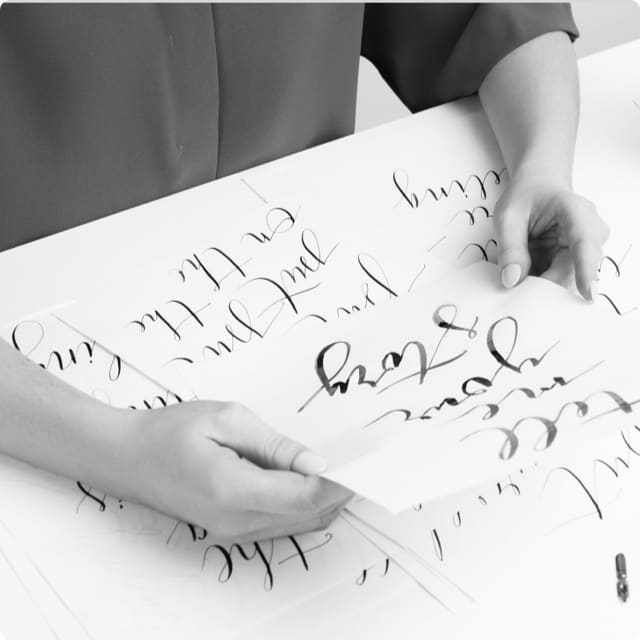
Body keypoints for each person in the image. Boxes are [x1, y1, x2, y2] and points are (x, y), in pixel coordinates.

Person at [0, 4, 609, 542]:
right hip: (41, 402)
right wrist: (119, 450)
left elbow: (491, 13)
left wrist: (541, 162)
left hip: (319, 324)